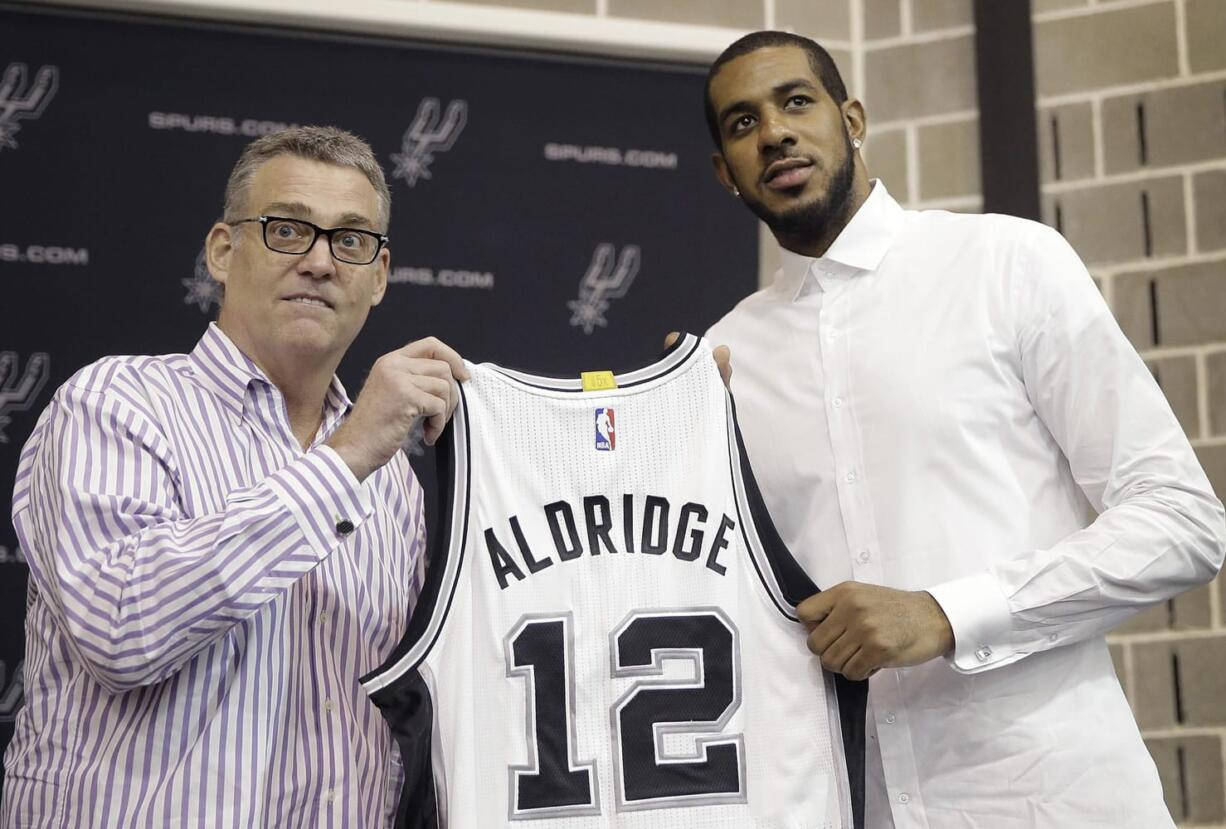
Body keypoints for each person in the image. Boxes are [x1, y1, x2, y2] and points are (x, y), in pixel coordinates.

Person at [702, 30, 1225, 828]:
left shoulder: (1008, 263)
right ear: (724, 175)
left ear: (853, 119)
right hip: (856, 804)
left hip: (1058, 801)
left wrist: (948, 613)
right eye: (741, 124)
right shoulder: (722, 361)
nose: (773, 132)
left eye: (796, 102)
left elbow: (1183, 522)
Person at [3, 126, 466, 828]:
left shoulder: (393, 483)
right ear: (223, 251)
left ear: (378, 277)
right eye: (287, 229)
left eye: (350, 240)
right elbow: (122, 630)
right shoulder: (116, 405)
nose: (319, 261)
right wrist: (344, 459)